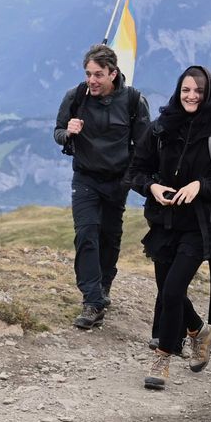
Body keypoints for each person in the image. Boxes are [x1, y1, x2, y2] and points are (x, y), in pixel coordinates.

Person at [127, 66, 211, 389]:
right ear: (178, 92)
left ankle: (162, 358)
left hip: (200, 226)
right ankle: (199, 330)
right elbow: (136, 170)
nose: (191, 96)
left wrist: (201, 186)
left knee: (171, 290)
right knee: (170, 291)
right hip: (163, 223)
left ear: (207, 92)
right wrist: (152, 188)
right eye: (185, 90)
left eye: (197, 90)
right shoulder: (161, 128)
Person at [54, 43, 149, 329]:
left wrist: (133, 178)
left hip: (117, 180)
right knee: (86, 233)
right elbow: (57, 132)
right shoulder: (75, 97)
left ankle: (104, 285)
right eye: (88, 74)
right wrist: (67, 133)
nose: (92, 80)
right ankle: (92, 300)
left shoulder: (133, 100)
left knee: (109, 236)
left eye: (98, 74)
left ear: (113, 74)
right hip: (85, 177)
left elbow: (145, 146)